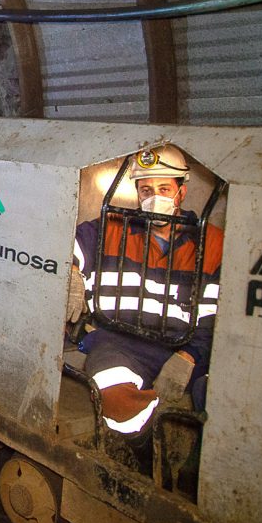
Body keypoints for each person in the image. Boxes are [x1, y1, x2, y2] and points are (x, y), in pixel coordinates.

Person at [70, 145, 223, 438]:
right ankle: (148, 443)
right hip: (119, 343)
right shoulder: (114, 227)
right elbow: (66, 241)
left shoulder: (212, 245)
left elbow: (215, 317)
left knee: (219, 403)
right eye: (146, 189)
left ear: (182, 191)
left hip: (183, 350)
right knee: (118, 405)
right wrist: (73, 272)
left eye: (165, 188)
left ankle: (186, 448)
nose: (155, 198)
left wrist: (188, 359)